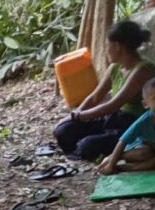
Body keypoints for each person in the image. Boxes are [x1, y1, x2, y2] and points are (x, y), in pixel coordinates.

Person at [54, 20, 155, 159]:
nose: (106, 50)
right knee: (64, 131)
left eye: (107, 46)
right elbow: (95, 97)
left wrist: (78, 116)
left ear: (117, 46)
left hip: (134, 124)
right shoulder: (115, 67)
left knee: (87, 145)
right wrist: (75, 116)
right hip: (115, 118)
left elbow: (113, 105)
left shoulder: (143, 70)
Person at [98, 78, 155, 175]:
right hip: (139, 148)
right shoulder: (144, 120)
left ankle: (124, 168)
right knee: (144, 152)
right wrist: (110, 165)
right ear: (145, 104)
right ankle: (113, 158)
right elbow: (122, 141)